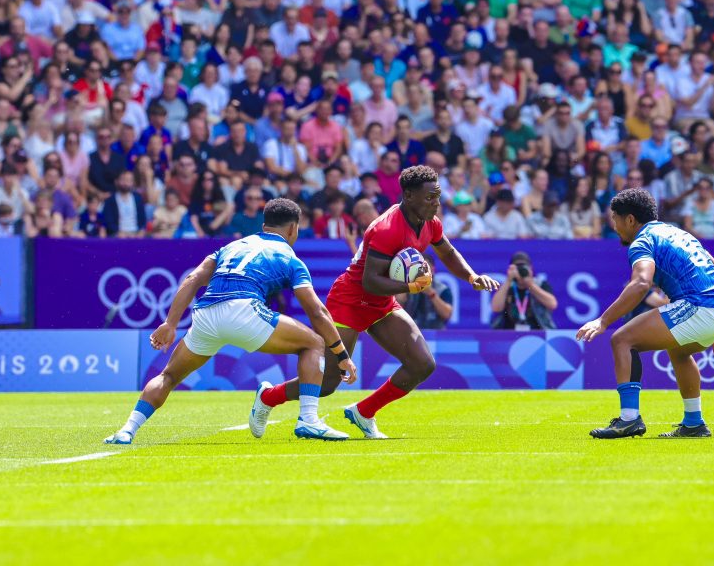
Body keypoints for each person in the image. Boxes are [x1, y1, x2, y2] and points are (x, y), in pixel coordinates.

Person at [252, 166, 499, 439]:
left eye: (438, 196)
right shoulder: (387, 228)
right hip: (349, 302)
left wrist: (472, 276)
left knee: (422, 364)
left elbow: (448, 252)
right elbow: (370, 281)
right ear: (408, 196)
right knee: (329, 382)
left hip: (381, 304)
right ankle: (269, 396)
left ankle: (364, 411)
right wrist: (410, 287)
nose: (437, 203)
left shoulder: (431, 222)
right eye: (430, 197)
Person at [105, 199, 357, 443]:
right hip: (244, 311)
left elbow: (193, 279)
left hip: (206, 315)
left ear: (264, 223)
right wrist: (340, 354)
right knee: (313, 343)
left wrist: (170, 323)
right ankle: (309, 419)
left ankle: (127, 430)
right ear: (293, 228)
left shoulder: (231, 247)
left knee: (168, 376)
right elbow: (317, 312)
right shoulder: (290, 258)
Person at [577, 188, 714, 439]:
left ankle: (629, 419)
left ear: (630, 219)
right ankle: (694, 423)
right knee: (679, 350)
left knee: (622, 340)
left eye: (615, 219)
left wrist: (602, 320)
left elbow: (641, 283)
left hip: (702, 306)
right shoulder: (677, 232)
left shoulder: (642, 242)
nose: (614, 226)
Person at [490, 250, 558, 331]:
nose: (520, 270)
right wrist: (508, 280)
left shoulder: (541, 284)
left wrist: (530, 285)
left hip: (539, 332)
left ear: (531, 269)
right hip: (510, 333)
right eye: (518, 267)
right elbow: (496, 308)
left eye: (523, 267)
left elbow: (552, 304)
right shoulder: (507, 287)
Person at [395, 254, 453, 330]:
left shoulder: (443, 289)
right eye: (418, 269)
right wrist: (405, 288)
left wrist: (431, 294)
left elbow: (447, 314)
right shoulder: (407, 286)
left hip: (435, 334)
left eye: (425, 269)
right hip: (410, 332)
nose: (421, 273)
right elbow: (396, 307)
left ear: (432, 270)